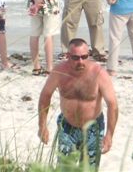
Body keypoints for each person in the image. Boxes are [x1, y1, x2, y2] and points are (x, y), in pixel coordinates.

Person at [38, 38, 118, 168]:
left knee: (88, 169)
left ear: (89, 55)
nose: (80, 61)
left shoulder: (99, 73)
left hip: (93, 128)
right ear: (68, 56)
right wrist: (42, 126)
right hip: (67, 127)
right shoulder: (59, 72)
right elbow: (45, 96)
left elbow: (112, 105)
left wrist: (109, 135)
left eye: (84, 57)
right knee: (64, 168)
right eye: (75, 58)